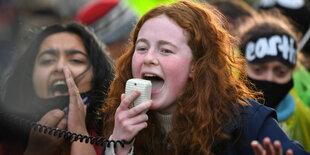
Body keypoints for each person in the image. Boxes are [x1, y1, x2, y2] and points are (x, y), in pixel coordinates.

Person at [92, 1, 308, 154]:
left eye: (165, 50)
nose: (148, 58)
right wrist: (119, 146)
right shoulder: (118, 118)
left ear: (196, 66)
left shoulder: (246, 121)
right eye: (141, 48)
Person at [0, 22, 114, 155]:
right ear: (30, 77)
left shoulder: (115, 136)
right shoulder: (7, 142)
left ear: (97, 76)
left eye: (76, 60)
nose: (60, 67)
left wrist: (79, 134)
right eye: (47, 60)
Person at [238, 9, 310, 151]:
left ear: (292, 72)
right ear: (241, 66)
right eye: (259, 69)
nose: (269, 78)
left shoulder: (305, 120)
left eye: (280, 72)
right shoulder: (221, 111)